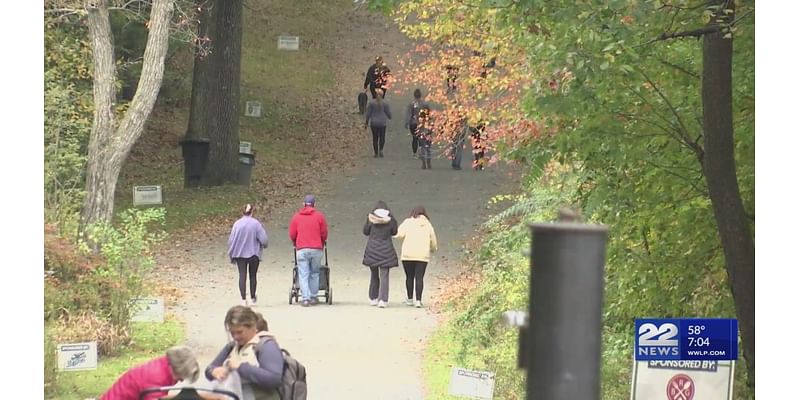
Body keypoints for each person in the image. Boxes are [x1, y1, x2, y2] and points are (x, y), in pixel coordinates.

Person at [206, 306, 284, 400]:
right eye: (232, 333)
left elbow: (273, 379)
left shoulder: (267, 346)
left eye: (240, 332)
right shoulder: (232, 346)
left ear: (253, 326)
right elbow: (210, 369)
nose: (235, 337)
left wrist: (241, 367)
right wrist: (213, 371)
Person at [100, 346, 200, 400]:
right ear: (175, 367)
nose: (181, 380)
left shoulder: (163, 365)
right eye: (181, 375)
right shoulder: (156, 376)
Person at [289, 194, 329, 307]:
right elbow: (324, 233)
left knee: (303, 274)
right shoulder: (319, 217)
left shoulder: (296, 217)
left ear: (303, 204)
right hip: (316, 248)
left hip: (302, 248)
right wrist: (322, 240)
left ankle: (305, 298)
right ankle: (313, 296)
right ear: (314, 204)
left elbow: (292, 233)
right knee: (315, 273)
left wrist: (295, 241)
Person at [394, 206, 438, 308]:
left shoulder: (407, 222)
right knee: (419, 278)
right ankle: (418, 300)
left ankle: (409, 299)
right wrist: (433, 249)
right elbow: (433, 239)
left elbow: (398, 234)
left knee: (409, 277)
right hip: (422, 256)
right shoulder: (428, 225)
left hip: (408, 255)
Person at [228, 204, 269, 306]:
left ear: (242, 212)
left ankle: (243, 299)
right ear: (252, 212)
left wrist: (232, 252)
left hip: (240, 254)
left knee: (242, 275)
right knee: (253, 275)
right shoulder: (256, 224)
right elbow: (263, 239)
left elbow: (231, 240)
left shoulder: (237, 224)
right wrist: (264, 245)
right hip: (253, 254)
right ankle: (252, 297)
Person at [362, 200, 399, 308]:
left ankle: (373, 297)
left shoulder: (371, 218)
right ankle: (383, 299)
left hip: (372, 250)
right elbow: (394, 232)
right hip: (386, 250)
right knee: (384, 276)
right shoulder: (390, 220)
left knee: (374, 275)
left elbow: (365, 231)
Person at [364, 89, 392, 158]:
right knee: (382, 137)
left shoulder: (371, 103)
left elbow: (368, 114)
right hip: (382, 123)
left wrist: (366, 122)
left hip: (374, 123)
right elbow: (388, 114)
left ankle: (376, 152)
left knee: (375, 138)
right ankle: (381, 150)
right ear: (382, 95)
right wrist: (389, 116)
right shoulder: (385, 103)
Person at [404, 88, 429, 159]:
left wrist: (407, 122)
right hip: (421, 123)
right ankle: (421, 152)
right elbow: (428, 113)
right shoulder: (424, 104)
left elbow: (409, 114)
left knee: (414, 138)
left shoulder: (412, 104)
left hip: (413, 123)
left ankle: (414, 153)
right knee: (421, 138)